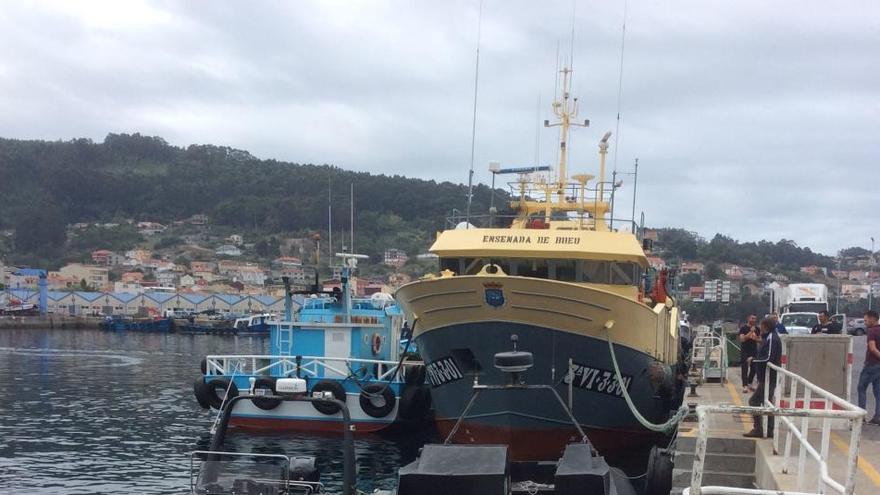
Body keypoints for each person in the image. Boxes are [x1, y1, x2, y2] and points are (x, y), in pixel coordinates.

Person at [744, 317, 782, 438]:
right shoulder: (769, 337)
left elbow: (768, 357)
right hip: (766, 377)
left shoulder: (772, 338)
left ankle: (759, 428)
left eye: (762, 325)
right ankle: (769, 429)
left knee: (754, 401)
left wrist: (754, 360)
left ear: (766, 326)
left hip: (769, 377)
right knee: (768, 402)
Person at [857, 310, 880, 426]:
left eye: (866, 320)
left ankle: (861, 415)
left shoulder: (872, 331)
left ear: (872, 319)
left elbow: (872, 348)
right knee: (878, 391)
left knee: (861, 388)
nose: (865, 323)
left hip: (872, 364)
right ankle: (878, 416)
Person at [738, 314, 761, 393]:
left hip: (754, 350)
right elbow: (742, 339)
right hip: (745, 350)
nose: (753, 320)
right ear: (748, 318)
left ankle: (750, 383)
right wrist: (750, 332)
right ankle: (745, 385)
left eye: (755, 319)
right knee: (744, 368)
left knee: (754, 368)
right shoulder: (743, 328)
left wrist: (756, 338)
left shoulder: (757, 329)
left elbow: (761, 340)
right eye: (752, 318)